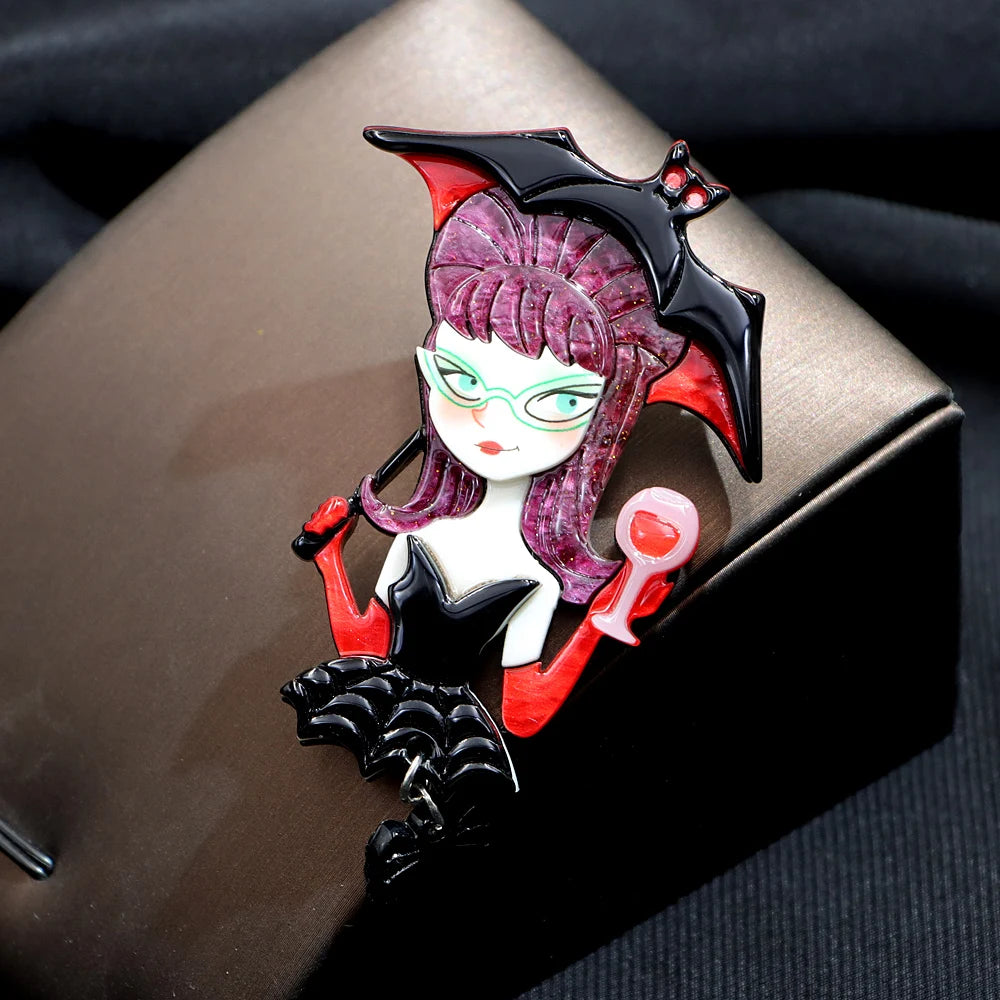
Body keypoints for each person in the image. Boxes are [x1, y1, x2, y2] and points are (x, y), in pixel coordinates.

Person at [282, 153, 746, 890]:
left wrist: (609, 613)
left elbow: (522, 715)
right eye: (461, 380)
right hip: (379, 701)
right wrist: (332, 561)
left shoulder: (535, 577)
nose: (494, 424)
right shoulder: (418, 534)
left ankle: (428, 836)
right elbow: (366, 643)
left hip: (457, 740)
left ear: (604, 414)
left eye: (554, 402)